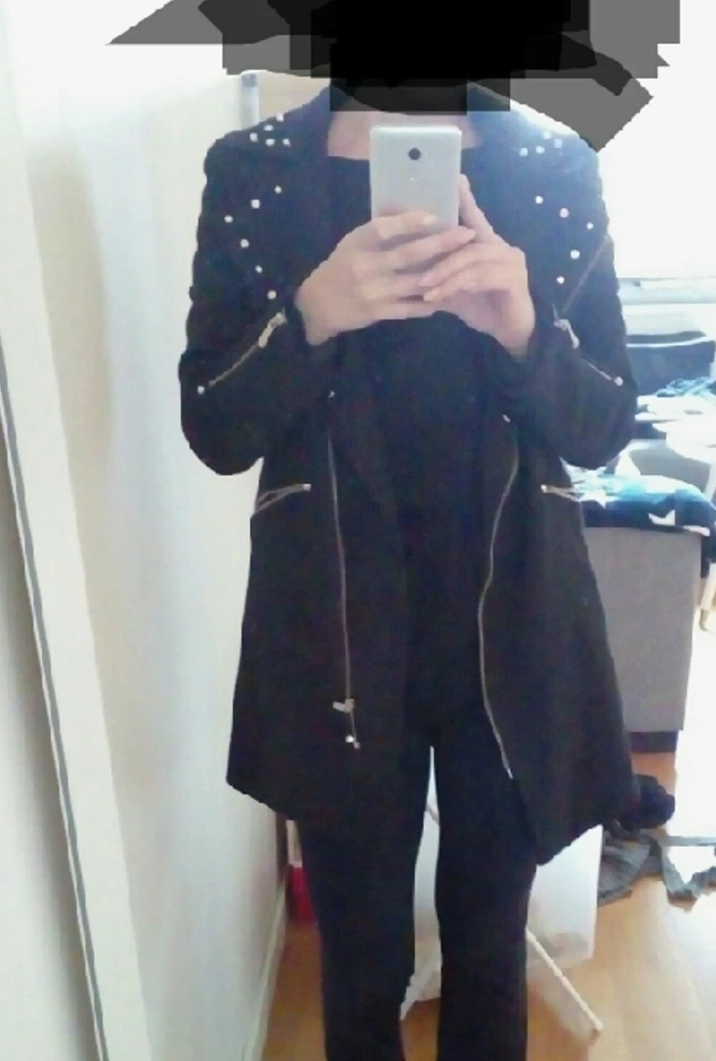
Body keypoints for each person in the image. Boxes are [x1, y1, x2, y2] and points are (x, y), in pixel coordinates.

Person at [179, 81, 639, 1061]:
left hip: (510, 633)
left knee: (488, 950)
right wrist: (312, 314)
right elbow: (215, 425)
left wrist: (521, 328)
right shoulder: (256, 170)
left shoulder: (551, 168)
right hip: (334, 637)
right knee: (358, 961)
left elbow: (602, 424)